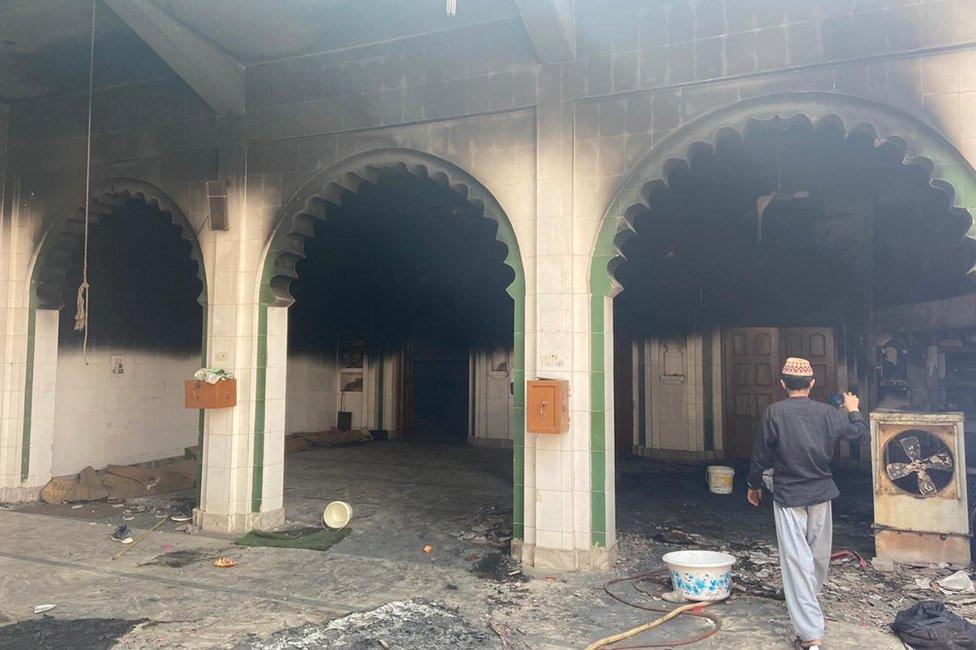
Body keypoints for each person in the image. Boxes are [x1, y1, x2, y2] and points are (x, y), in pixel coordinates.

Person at [746, 357, 868, 650]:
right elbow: (857, 435)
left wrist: (753, 485)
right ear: (812, 384)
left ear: (783, 384)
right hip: (821, 494)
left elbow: (761, 455)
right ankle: (808, 614)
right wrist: (854, 411)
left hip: (789, 496)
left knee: (796, 562)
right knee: (816, 558)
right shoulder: (828, 413)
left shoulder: (774, 412)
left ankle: (811, 634)